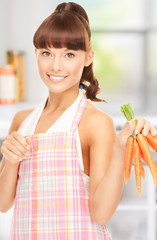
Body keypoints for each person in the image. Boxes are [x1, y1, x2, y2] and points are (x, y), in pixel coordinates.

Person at [0, 2, 156, 239]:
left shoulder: (95, 122)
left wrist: (119, 148)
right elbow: (3, 204)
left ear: (88, 58)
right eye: (46, 53)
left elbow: (101, 214)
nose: (56, 65)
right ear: (36, 54)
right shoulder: (22, 122)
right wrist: (10, 161)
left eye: (69, 54)